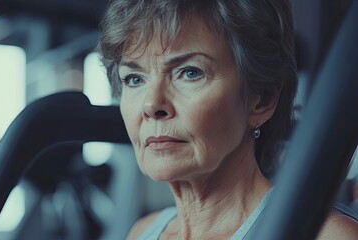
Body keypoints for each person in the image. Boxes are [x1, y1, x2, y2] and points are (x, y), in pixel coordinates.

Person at [98, 0, 358, 239]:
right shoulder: (142, 232)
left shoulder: (328, 236)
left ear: (262, 100)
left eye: (189, 73)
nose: (152, 104)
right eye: (134, 79)